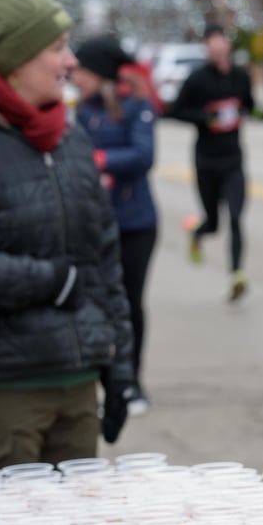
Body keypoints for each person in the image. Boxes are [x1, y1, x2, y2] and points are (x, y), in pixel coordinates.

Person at [0, 0, 133, 470]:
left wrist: (119, 366)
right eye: (55, 49)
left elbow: (104, 259)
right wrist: (48, 281)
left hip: (75, 389)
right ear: (13, 60)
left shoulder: (70, 138)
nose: (70, 61)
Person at [73, 34, 158, 416]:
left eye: (83, 70)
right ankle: (103, 379)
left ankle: (132, 382)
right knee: (98, 302)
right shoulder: (80, 111)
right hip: (93, 222)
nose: (75, 77)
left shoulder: (135, 105)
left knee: (129, 302)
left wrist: (98, 158)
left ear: (100, 73)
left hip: (135, 222)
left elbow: (143, 156)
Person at [169, 22, 254, 302]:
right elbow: (175, 110)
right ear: (207, 47)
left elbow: (249, 104)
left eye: (222, 41)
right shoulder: (197, 79)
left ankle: (236, 274)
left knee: (236, 217)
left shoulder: (241, 76)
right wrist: (205, 118)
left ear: (228, 45)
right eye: (212, 43)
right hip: (206, 161)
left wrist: (256, 112)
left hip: (233, 160)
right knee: (214, 224)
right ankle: (197, 232)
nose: (218, 48)